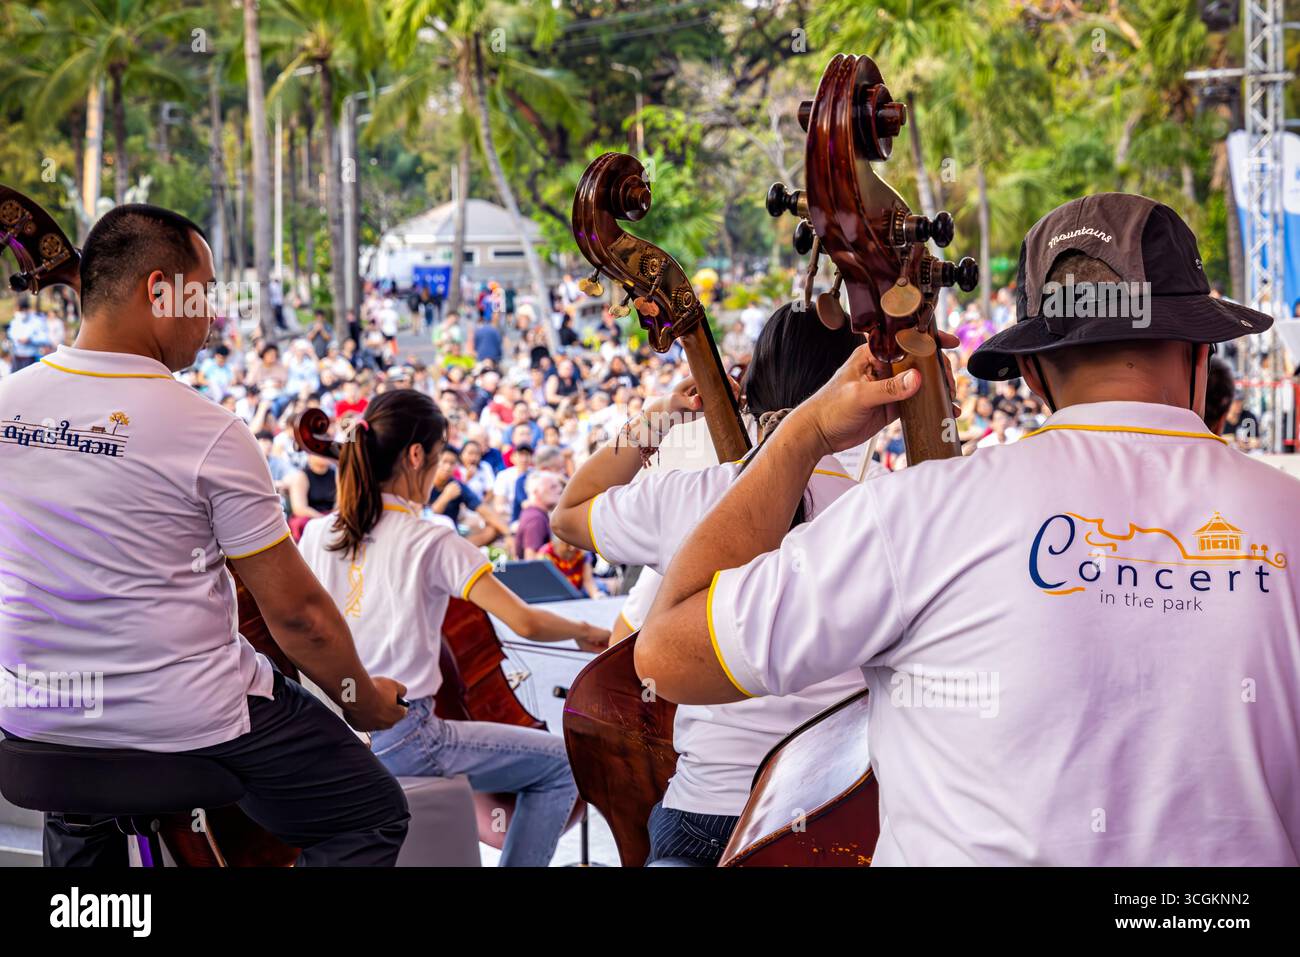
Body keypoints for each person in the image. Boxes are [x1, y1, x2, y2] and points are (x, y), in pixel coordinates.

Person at [639, 193, 1299, 866]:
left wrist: (802, 433)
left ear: (1035, 370)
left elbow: (664, 654)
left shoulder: (918, 512)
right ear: (1197, 350)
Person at [0, 204, 410, 866]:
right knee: (370, 813)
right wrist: (361, 698)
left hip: (37, 716)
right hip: (180, 721)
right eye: (205, 293)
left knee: (82, 802)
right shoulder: (206, 429)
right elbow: (300, 618)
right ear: (158, 291)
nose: (212, 315)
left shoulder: (6, 404)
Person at [551, 302, 883, 865]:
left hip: (703, 811)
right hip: (835, 814)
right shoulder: (889, 508)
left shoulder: (685, 495)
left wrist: (661, 415)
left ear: (749, 393)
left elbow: (568, 514)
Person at [297, 389, 608, 866]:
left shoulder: (319, 534)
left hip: (337, 738)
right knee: (564, 766)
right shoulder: (433, 538)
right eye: (440, 458)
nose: (440, 472)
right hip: (408, 736)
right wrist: (583, 630)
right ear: (416, 455)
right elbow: (523, 619)